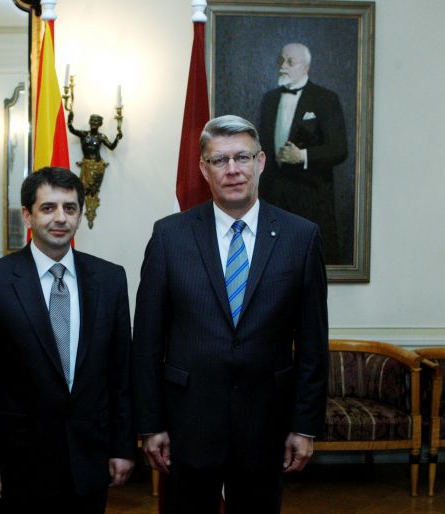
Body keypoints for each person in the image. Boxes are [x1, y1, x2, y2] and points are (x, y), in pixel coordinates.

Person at [132, 115, 329, 514]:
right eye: (219, 160)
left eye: (242, 157)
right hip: (188, 423)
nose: (233, 169)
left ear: (261, 162)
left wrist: (305, 426)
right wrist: (151, 424)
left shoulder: (300, 237)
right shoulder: (170, 236)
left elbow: (312, 343)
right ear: (204, 169)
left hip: (267, 424)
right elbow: (147, 340)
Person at [0, 167, 135, 514]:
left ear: (80, 215)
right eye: (48, 208)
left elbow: (120, 375)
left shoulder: (110, 279)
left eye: (70, 208)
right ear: (27, 215)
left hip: (89, 461)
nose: (60, 218)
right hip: (18, 467)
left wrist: (122, 447)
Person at [258, 43, 347, 264]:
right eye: (281, 60)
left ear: (306, 67)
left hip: (311, 199)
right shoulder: (269, 100)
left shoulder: (325, 99)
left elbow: (339, 149)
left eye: (290, 62)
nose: (283, 66)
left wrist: (303, 156)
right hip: (273, 199)